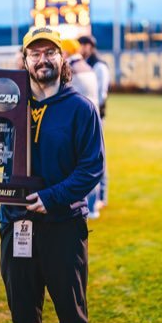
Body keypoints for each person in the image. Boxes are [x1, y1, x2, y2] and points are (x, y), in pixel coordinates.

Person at [0, 27, 104, 323]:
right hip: (16, 224)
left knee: (73, 321)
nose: (43, 59)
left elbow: (91, 168)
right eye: (35, 53)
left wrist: (51, 198)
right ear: (24, 60)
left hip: (63, 227)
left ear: (61, 57)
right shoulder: (6, 105)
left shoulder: (81, 109)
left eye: (49, 52)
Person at [61, 38, 100, 218]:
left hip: (78, 122)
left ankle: (83, 207)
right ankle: (93, 206)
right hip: (94, 117)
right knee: (93, 163)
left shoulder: (71, 68)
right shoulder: (88, 66)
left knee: (78, 166)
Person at [78, 35, 111, 209]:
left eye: (83, 45)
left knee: (98, 155)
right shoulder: (86, 64)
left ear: (91, 46)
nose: (81, 48)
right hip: (87, 117)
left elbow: (101, 94)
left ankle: (101, 197)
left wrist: (93, 114)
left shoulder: (99, 66)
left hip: (96, 116)